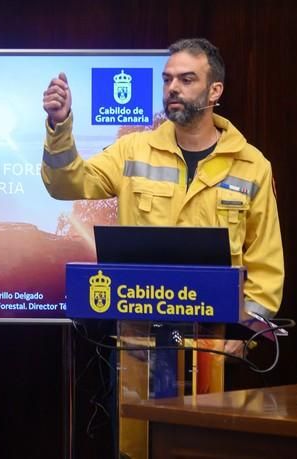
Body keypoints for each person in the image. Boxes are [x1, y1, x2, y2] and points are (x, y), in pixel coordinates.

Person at [42, 38, 284, 326]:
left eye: (187, 79)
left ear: (214, 91)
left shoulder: (252, 166)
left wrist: (245, 332)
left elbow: (266, 268)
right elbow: (65, 184)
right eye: (167, 79)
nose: (173, 88)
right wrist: (60, 124)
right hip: (137, 338)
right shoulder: (131, 150)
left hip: (215, 343)